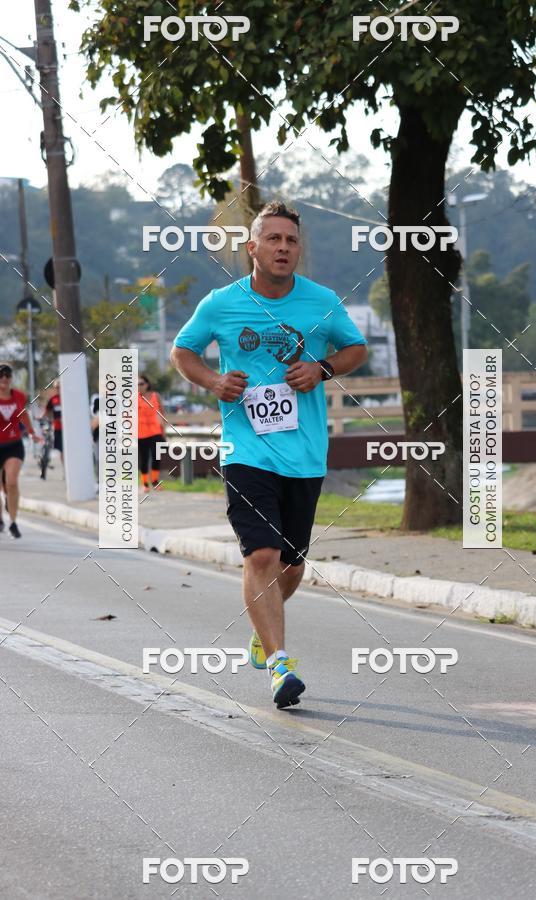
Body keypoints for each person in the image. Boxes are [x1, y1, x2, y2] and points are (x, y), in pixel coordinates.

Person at [171, 201, 368, 708]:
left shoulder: (321, 301)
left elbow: (356, 349)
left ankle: (264, 631)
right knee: (261, 553)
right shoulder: (221, 303)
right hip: (246, 449)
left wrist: (322, 368)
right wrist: (214, 379)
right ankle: (280, 666)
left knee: (292, 564)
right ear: (251, 248)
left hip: (304, 453)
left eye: (292, 241)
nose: (284, 247)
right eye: (274, 239)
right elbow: (183, 351)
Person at [0, 362, 42, 538]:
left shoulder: (19, 396)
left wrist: (32, 433)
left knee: (11, 482)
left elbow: (23, 414)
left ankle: (13, 522)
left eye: (7, 375)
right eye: (0, 375)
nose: (4, 378)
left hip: (13, 444)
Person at [137, 374, 166, 493]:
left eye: (141, 383)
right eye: (137, 384)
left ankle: (154, 481)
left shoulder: (155, 396)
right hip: (140, 433)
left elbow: (162, 413)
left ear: (147, 384)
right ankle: (145, 484)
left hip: (155, 431)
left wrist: (164, 431)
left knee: (156, 456)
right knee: (144, 459)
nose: (139, 386)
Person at [44, 380, 63, 465]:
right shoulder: (53, 399)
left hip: (68, 428)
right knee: (62, 450)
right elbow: (47, 412)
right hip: (58, 428)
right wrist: (51, 419)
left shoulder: (67, 398)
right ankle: (65, 469)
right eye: (56, 387)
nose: (58, 389)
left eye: (59, 387)